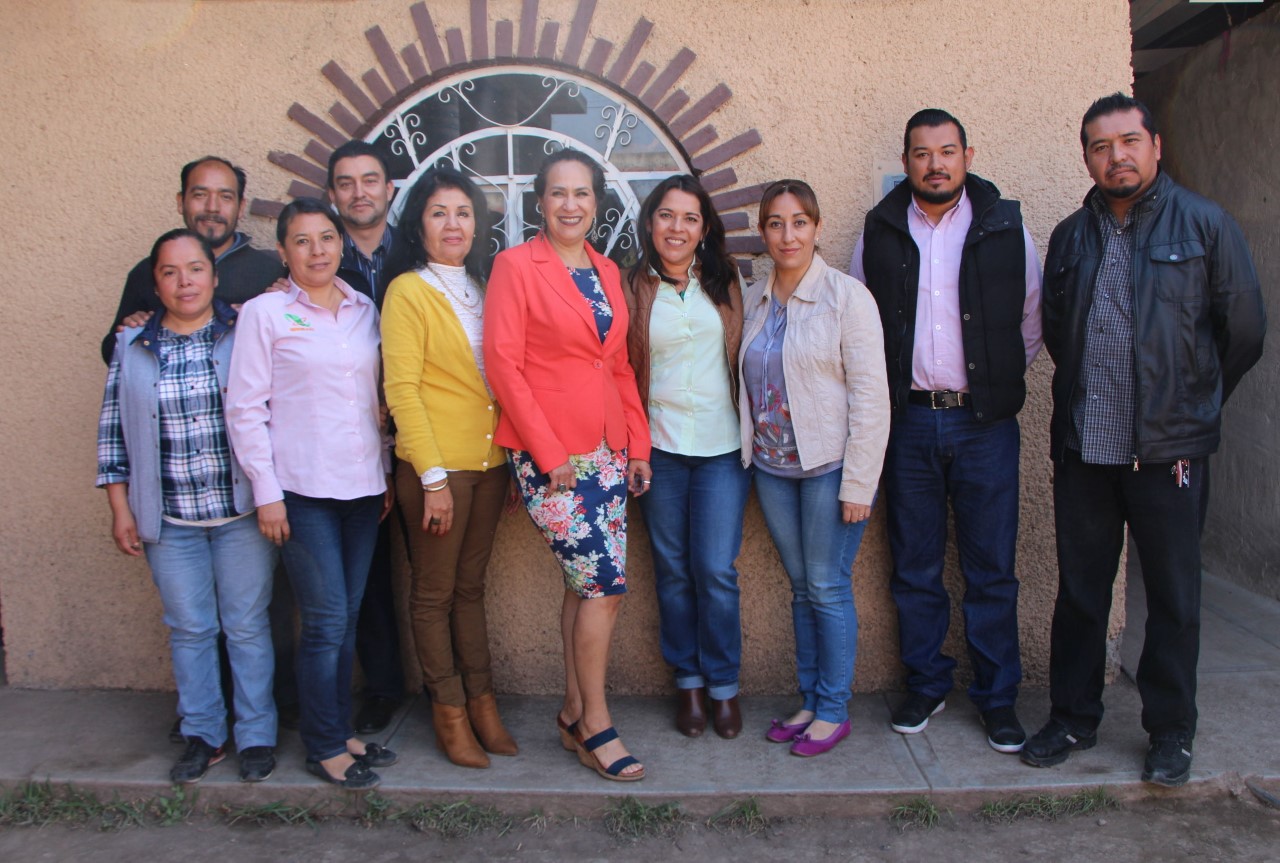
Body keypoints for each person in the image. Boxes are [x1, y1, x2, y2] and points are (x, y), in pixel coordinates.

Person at [1024, 93, 1265, 786]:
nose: (1116, 155)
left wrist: (1193, 401)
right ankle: (1071, 715)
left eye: (1129, 140)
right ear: (1087, 157)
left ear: (1154, 146)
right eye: (1101, 146)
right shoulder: (1072, 236)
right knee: (1080, 592)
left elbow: (1242, 329)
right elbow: (1065, 331)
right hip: (1086, 449)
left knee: (1173, 595)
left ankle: (1170, 730)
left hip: (1170, 451)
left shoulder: (1204, 224)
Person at [850, 109, 1042, 753]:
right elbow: (860, 323)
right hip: (907, 425)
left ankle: (997, 698)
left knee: (991, 569)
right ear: (905, 161)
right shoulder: (879, 229)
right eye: (922, 153)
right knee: (914, 566)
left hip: (983, 424)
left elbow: (1031, 320)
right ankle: (927, 682)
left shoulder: (1004, 225)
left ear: (967, 155)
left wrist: (987, 385)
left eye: (947, 151)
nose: (935, 163)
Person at [483, 148, 652, 782]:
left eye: (582, 193)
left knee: (586, 585)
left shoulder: (607, 270)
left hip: (607, 452)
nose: (571, 205)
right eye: (558, 193)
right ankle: (596, 724)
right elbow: (504, 365)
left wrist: (637, 445)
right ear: (540, 201)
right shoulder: (514, 267)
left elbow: (616, 363)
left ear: (597, 201)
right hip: (548, 457)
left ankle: (572, 709)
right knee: (604, 587)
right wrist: (548, 452)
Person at [226, 198, 397, 790]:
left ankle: (338, 729)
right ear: (283, 251)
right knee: (324, 620)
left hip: (361, 488)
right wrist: (266, 492)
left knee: (345, 619)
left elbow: (373, 403)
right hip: (300, 490)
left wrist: (384, 474)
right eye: (303, 241)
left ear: (340, 244)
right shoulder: (265, 314)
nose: (318, 250)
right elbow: (245, 409)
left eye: (326, 238)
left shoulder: (362, 309)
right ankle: (324, 745)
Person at [96, 229, 278, 784]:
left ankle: (256, 735)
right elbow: (112, 434)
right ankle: (203, 734)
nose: (185, 282)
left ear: (214, 275)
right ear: (155, 284)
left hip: (241, 513)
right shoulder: (132, 347)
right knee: (190, 629)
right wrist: (120, 508)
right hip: (169, 519)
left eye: (195, 269)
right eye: (171, 273)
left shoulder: (244, 330)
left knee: (246, 627)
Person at [742, 179, 890, 758]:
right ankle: (809, 700)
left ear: (818, 227)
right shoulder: (755, 296)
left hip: (828, 467)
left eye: (799, 221)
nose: (788, 234)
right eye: (776, 223)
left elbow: (872, 399)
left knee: (827, 587)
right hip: (773, 469)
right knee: (802, 588)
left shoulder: (847, 298)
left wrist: (859, 484)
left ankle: (833, 708)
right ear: (763, 232)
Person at [382, 166, 517, 769]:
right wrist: (432, 478)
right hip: (438, 472)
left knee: (471, 589)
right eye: (439, 212)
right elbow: (402, 391)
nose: (453, 223)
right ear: (419, 224)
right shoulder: (408, 291)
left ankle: (483, 702)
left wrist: (510, 460)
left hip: (489, 465)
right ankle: (450, 713)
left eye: (463, 211)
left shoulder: (486, 287)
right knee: (433, 595)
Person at [622, 175, 749, 739]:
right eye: (667, 216)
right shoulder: (629, 286)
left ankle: (724, 686)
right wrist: (633, 446)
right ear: (651, 222)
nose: (678, 228)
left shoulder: (726, 282)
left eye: (690, 218)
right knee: (673, 572)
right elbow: (620, 371)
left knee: (715, 571)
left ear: (704, 229)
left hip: (723, 448)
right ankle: (690, 684)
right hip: (661, 450)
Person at [327, 141, 407, 735]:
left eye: (370, 180)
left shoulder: (419, 248)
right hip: (357, 435)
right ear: (333, 195)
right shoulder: (319, 259)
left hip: (425, 431)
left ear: (390, 189)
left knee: (437, 569)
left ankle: (453, 690)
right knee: (371, 569)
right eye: (347, 183)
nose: (360, 192)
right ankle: (382, 688)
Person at [100, 156, 280, 364]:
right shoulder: (148, 272)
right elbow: (112, 355)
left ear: (240, 207)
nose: (212, 207)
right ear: (180, 202)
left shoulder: (270, 273)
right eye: (200, 195)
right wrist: (131, 330)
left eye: (226, 197)